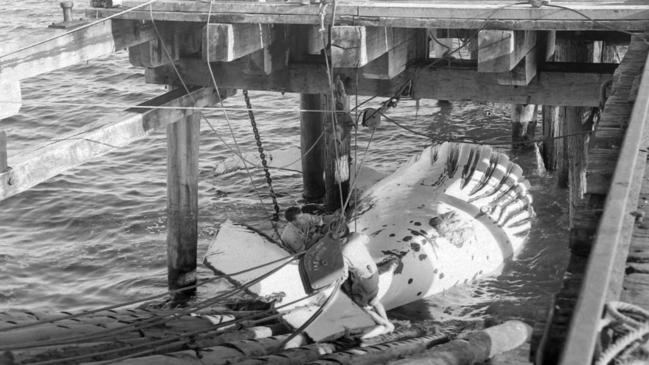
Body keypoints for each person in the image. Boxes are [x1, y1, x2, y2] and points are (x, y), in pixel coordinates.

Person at [333, 223, 395, 339]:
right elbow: (366, 239)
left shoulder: (342, 254)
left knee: (362, 307)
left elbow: (344, 275)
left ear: (339, 239)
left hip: (363, 281)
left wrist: (334, 283)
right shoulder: (356, 236)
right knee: (374, 300)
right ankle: (386, 322)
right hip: (373, 273)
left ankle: (385, 325)